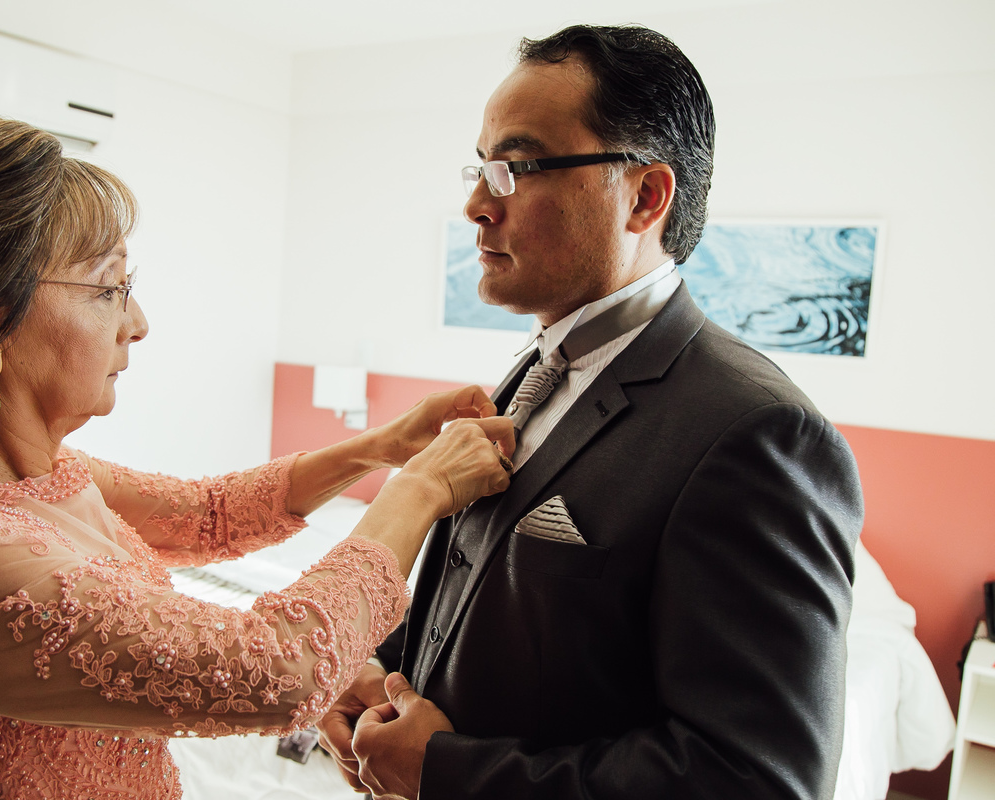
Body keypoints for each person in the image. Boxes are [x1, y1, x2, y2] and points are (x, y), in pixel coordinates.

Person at [0, 112, 516, 800]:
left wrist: (383, 447)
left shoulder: (28, 478)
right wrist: (417, 490)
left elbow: (208, 514)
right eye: (109, 289)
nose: (137, 325)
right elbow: (276, 670)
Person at [317, 24, 864, 800]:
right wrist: (382, 674)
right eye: (480, 168)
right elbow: (485, 597)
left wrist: (449, 773)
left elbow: (758, 779)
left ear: (644, 196)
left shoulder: (755, 433)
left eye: (517, 168)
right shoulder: (531, 375)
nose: (476, 204)